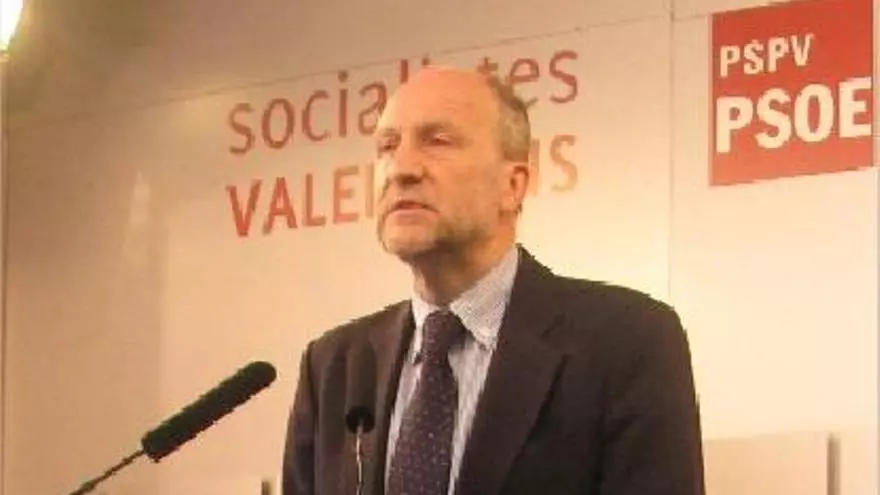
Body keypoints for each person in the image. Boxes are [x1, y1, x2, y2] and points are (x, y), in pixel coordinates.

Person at [282, 66, 705, 495]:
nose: (401, 168)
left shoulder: (626, 342)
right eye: (387, 146)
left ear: (512, 185)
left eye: (437, 140)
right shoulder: (334, 366)